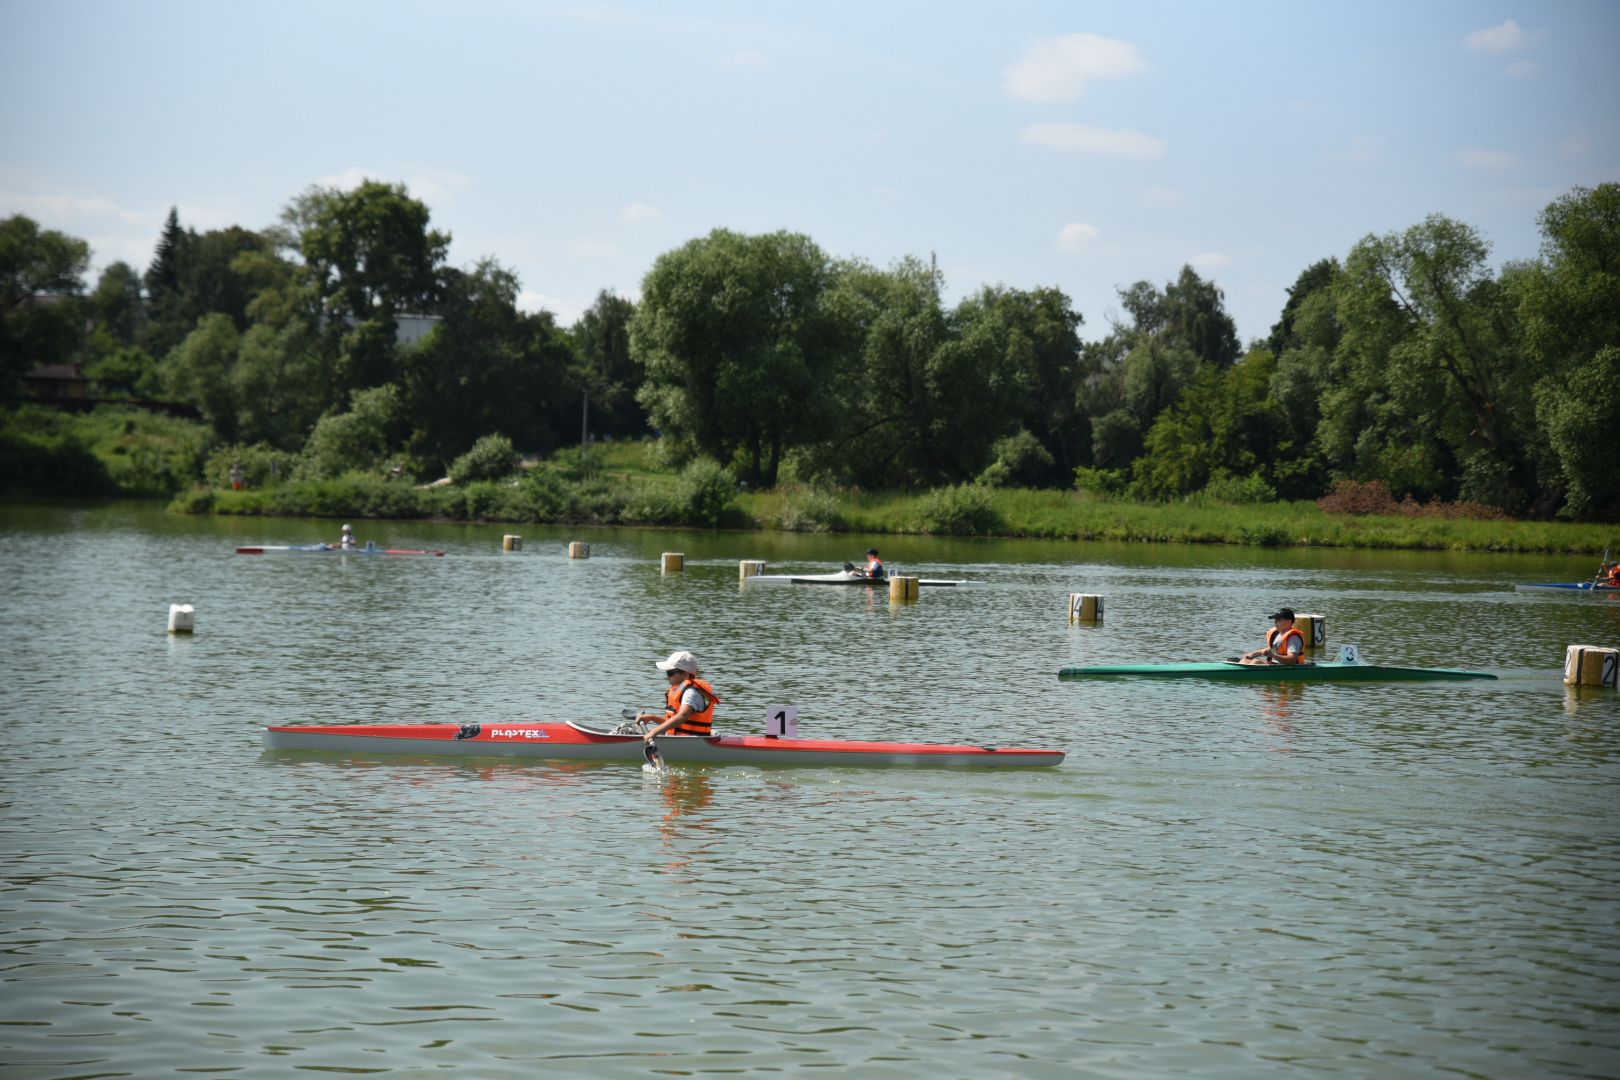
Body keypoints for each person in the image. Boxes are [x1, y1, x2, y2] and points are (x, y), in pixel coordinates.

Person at [635, 651, 721, 742]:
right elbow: (674, 724)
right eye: (667, 672)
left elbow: (682, 717)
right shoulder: (680, 691)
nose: (668, 676)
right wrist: (652, 717)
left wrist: (655, 731)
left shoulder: (691, 693)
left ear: (685, 674)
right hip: (679, 739)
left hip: (693, 743)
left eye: (670, 672)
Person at [1240, 608, 1306, 666]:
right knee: (1244, 661)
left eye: (1278, 620)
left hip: (1291, 669)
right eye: (1275, 620)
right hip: (1276, 666)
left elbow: (1291, 661)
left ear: (1288, 622)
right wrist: (1253, 654)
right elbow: (1272, 650)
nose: (1275, 622)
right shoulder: (1279, 635)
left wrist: (1273, 655)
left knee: (1256, 662)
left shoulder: (1293, 638)